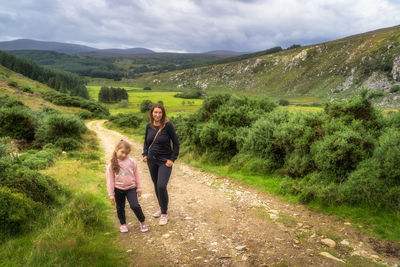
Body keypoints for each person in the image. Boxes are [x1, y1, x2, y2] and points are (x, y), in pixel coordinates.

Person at [142, 103, 179, 226]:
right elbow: (146, 142)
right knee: (156, 185)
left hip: (165, 161)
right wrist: (144, 154)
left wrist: (172, 159)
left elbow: (176, 143)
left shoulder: (167, 126)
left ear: (163, 114)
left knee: (162, 185)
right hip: (152, 160)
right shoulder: (149, 126)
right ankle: (161, 207)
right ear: (152, 113)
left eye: (160, 112)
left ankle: (164, 213)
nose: (157, 115)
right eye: (155, 112)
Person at [106, 139, 149, 233]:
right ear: (116, 149)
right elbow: (110, 181)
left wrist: (139, 187)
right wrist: (111, 195)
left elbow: (137, 174)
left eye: (126, 153)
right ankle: (123, 224)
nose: (124, 155)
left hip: (131, 188)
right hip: (118, 190)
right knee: (120, 207)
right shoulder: (111, 165)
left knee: (135, 206)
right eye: (122, 152)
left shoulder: (131, 162)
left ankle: (142, 222)